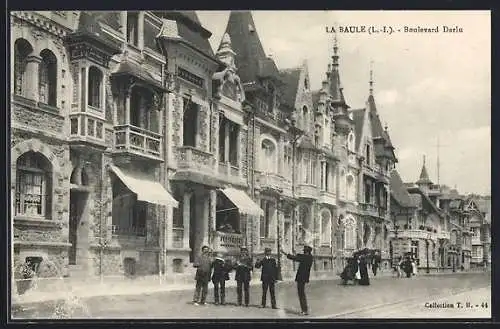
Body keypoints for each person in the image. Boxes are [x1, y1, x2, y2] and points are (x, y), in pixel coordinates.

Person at [282, 245, 313, 316]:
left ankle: (304, 310)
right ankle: (305, 310)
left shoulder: (305, 257)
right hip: (304, 277)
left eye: (304, 251)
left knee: (301, 294)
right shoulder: (310, 257)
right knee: (302, 293)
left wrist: (285, 253)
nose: (304, 252)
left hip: (301, 277)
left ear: (306, 252)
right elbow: (299, 256)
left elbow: (295, 258)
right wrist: (297, 254)